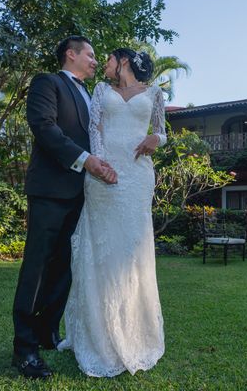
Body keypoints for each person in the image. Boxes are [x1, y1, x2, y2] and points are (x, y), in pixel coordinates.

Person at [12, 36, 118, 379]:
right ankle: (24, 348)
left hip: (81, 194)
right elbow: (44, 127)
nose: (93, 60)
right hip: (49, 190)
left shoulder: (92, 94)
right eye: (89, 54)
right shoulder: (48, 82)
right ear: (70, 54)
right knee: (38, 267)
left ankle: (47, 331)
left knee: (66, 266)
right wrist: (86, 160)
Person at [58, 48, 166, 377]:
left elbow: (162, 130)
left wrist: (155, 139)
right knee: (101, 249)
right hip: (103, 176)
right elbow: (95, 129)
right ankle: (97, 335)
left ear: (124, 61)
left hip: (137, 176)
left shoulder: (155, 92)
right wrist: (102, 165)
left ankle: (135, 332)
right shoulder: (101, 91)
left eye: (107, 60)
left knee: (132, 250)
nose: (102, 65)